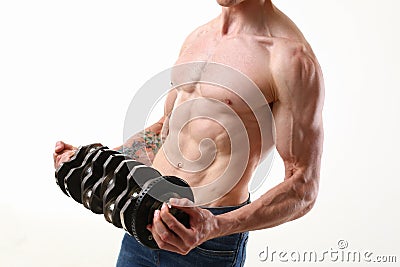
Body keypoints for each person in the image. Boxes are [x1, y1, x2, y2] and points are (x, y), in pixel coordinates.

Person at [53, 0, 324, 266]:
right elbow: (164, 131)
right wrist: (95, 162)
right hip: (143, 221)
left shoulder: (290, 58)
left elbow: (303, 185)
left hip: (207, 243)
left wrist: (215, 225)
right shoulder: (199, 38)